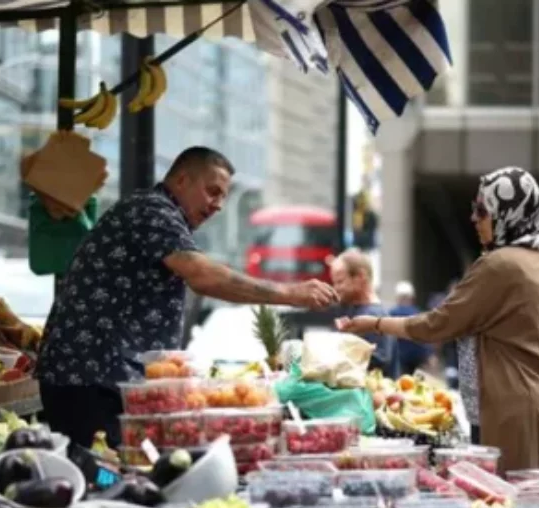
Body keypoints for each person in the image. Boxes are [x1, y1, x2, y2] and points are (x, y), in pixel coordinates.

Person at [36, 146, 337, 448]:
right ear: (181, 180)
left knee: (121, 472)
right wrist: (291, 293)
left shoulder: (160, 214)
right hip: (88, 379)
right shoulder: (152, 211)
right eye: (212, 191)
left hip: (101, 378)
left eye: (223, 197)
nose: (218, 205)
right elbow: (204, 276)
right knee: (102, 472)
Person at [337, 167, 539, 503]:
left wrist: (374, 323)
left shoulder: (500, 265)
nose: (473, 218)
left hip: (514, 406)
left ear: (508, 214)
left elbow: (436, 325)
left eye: (482, 211)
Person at [327, 250, 394, 372]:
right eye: (334, 283)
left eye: (340, 281)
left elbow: (379, 360)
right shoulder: (347, 308)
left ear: (360, 277)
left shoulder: (375, 315)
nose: (336, 288)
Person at [388, 281, 432, 377]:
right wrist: (428, 355)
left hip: (399, 356)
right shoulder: (417, 313)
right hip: (416, 357)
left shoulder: (392, 314)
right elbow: (425, 336)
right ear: (412, 297)